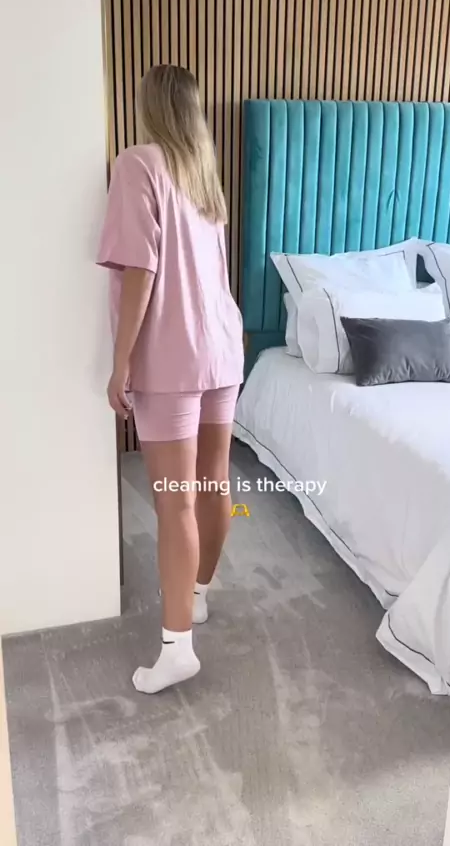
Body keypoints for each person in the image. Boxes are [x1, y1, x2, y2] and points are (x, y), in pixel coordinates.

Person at [96, 64, 244, 694]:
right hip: (222, 348)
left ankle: (177, 647)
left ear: (150, 106)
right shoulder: (204, 176)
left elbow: (141, 270)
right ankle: (198, 594)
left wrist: (121, 360)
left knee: (175, 499)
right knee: (212, 483)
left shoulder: (138, 165)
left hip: (172, 356)